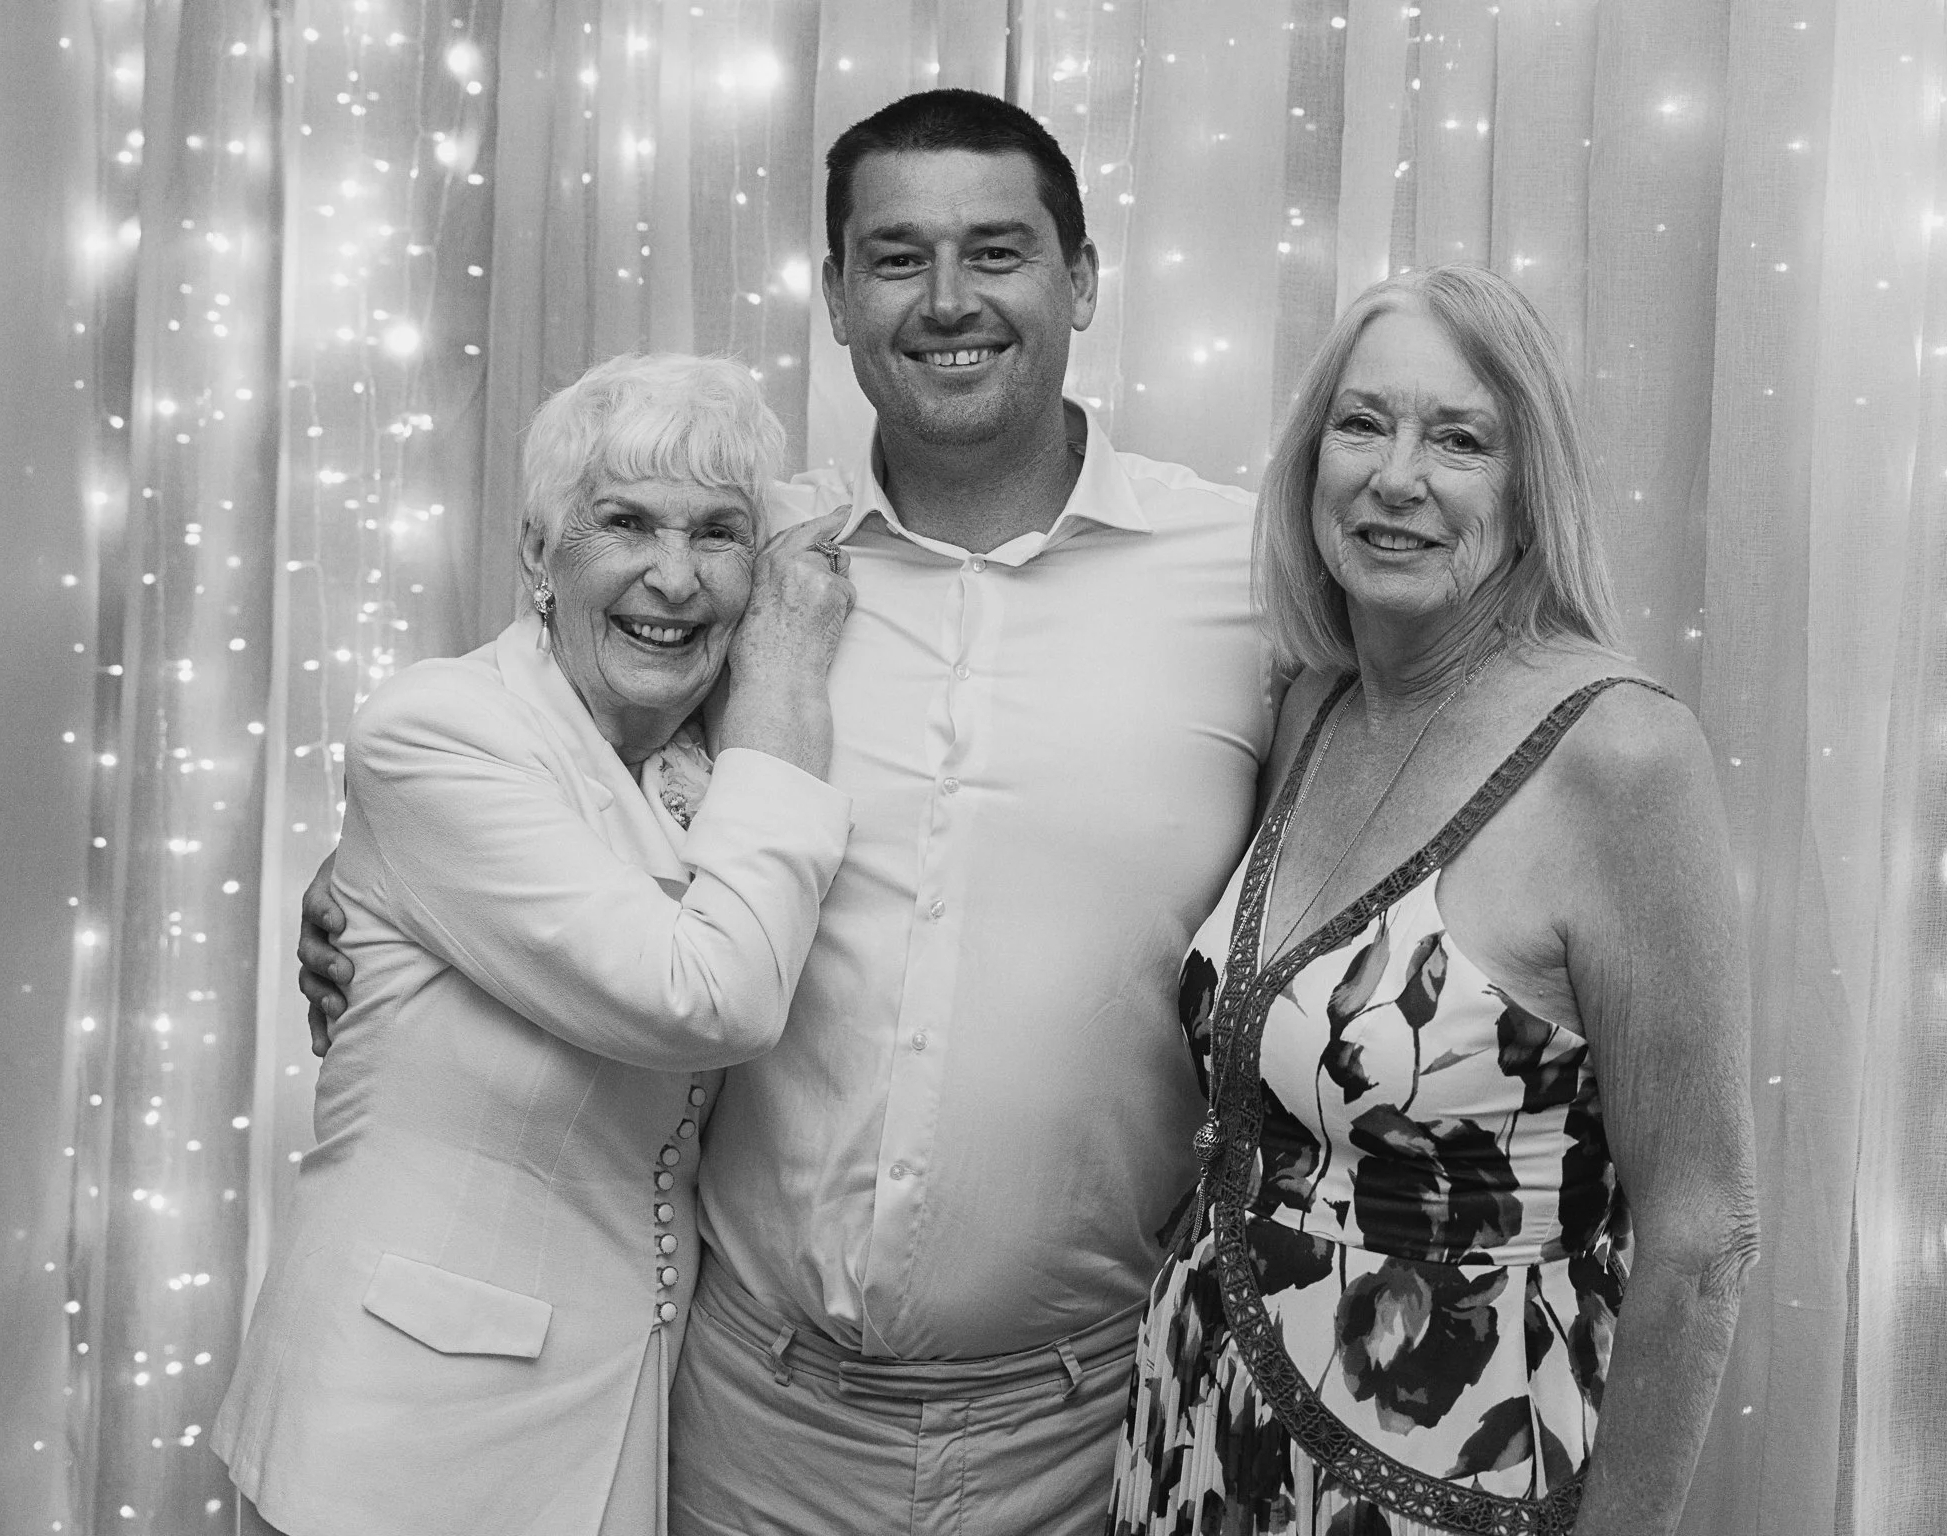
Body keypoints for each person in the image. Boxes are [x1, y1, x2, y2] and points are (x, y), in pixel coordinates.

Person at [299, 89, 1274, 1535]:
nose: (948, 301)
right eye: (895, 257)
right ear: (834, 297)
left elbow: (1381, 820)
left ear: (1082, 278)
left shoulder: (1248, 577)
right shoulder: (748, 570)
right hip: (748, 1421)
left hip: (1084, 1430)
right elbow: (541, 752)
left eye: (998, 251)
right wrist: (357, 877)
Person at [1107, 265, 1759, 1536]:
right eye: (1362, 425)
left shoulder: (1620, 756)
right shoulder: (1313, 704)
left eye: (1457, 439)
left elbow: (1701, 1235)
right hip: (1197, 1427)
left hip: (1450, 1469)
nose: (1394, 476)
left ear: (1529, 488)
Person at [215, 353, 857, 1536]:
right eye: (624, 523)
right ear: (536, 553)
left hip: (623, 1421)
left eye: (718, 536)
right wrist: (782, 712)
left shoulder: (682, 762)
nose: (674, 577)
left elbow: (830, 519)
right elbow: (705, 1000)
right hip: (402, 1437)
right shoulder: (437, 729)